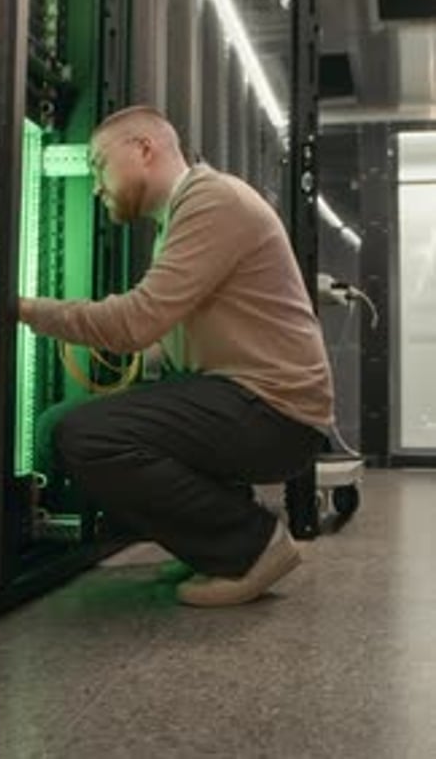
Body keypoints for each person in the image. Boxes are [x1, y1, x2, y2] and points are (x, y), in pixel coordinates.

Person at [19, 105, 334, 608]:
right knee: (62, 421)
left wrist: (25, 309)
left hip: (274, 412)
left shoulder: (212, 201)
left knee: (81, 434)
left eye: (98, 166)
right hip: (247, 401)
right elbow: (160, 336)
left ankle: (251, 545)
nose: (95, 186)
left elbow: (135, 323)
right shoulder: (182, 215)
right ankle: (214, 543)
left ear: (143, 149)